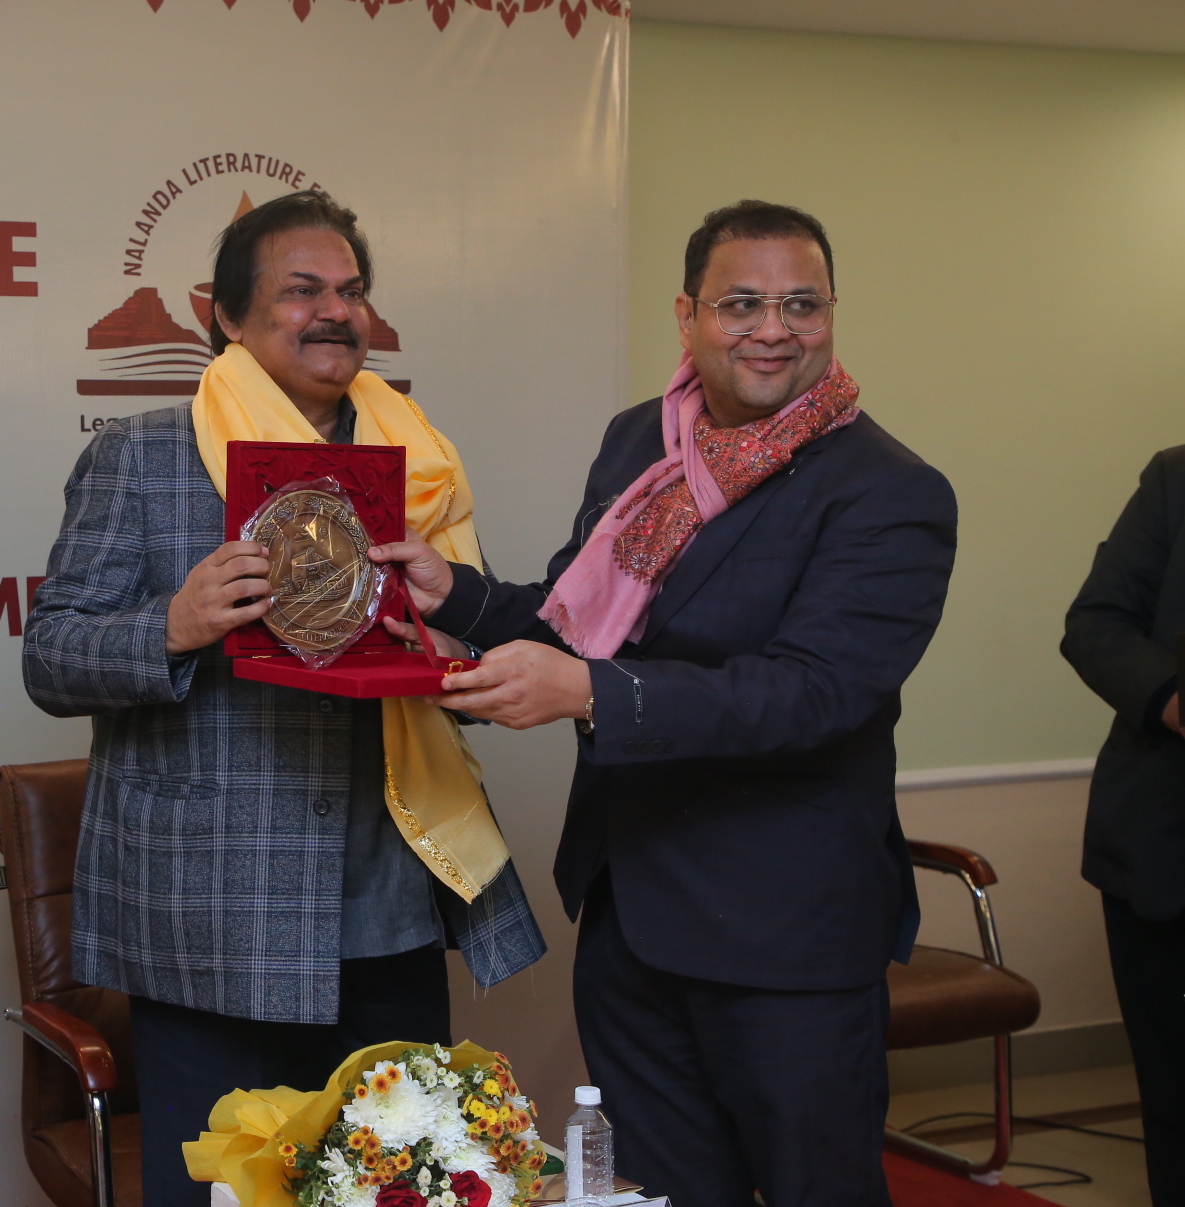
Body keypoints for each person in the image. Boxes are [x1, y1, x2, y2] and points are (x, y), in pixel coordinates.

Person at [375, 201, 957, 1206]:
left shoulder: (888, 490)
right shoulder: (642, 439)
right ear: (687, 315)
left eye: (800, 304)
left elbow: (812, 693)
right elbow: (580, 613)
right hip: (633, 913)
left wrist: (592, 694)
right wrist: (455, 593)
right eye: (741, 302)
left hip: (788, 936)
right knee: (661, 1194)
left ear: (831, 314)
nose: (772, 328)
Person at [23, 191, 545, 1205]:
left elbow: (479, 661)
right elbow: (50, 657)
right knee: (222, 1195)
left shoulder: (419, 460)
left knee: (402, 1191)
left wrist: (449, 650)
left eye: (351, 291)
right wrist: (173, 623)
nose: (335, 312)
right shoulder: (140, 456)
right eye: (302, 290)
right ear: (226, 315)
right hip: (213, 922)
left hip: (388, 904)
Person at [1062, 456, 1185, 1205]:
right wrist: (1174, 701)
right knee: (1175, 1102)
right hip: (1165, 856)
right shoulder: (1176, 480)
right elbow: (1096, 623)